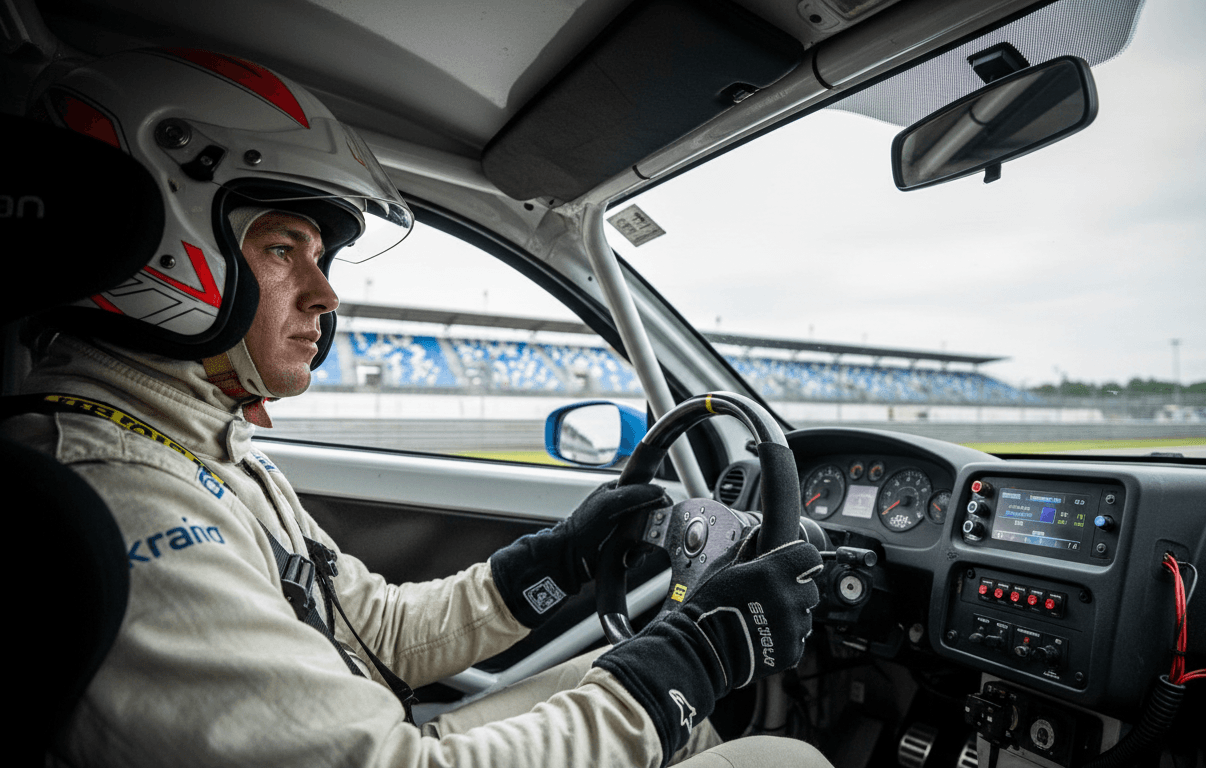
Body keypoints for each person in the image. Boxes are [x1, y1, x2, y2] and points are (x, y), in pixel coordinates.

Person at [6, 48, 831, 768]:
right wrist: (696, 656)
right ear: (167, 244)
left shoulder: (192, 443)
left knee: (607, 679)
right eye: (283, 249)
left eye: (320, 258)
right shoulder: (125, 496)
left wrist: (557, 564)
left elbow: (380, 635)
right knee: (782, 756)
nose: (325, 294)